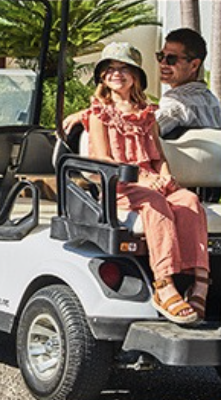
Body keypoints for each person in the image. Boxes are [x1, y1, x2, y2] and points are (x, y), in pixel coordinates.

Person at [87, 42, 210, 326]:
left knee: (189, 201)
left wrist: (165, 176)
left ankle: (200, 282)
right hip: (119, 186)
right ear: (102, 76)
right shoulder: (100, 113)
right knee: (155, 204)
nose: (116, 73)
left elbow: (158, 157)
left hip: (152, 183)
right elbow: (105, 160)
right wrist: (145, 179)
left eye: (123, 68)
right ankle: (164, 283)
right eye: (109, 69)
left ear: (136, 76)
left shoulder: (146, 113)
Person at [64, 28, 221, 138]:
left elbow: (142, 130)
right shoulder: (211, 100)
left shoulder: (177, 102)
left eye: (171, 59)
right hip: (208, 184)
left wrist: (90, 115)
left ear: (194, 65)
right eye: (161, 56)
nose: (163, 64)